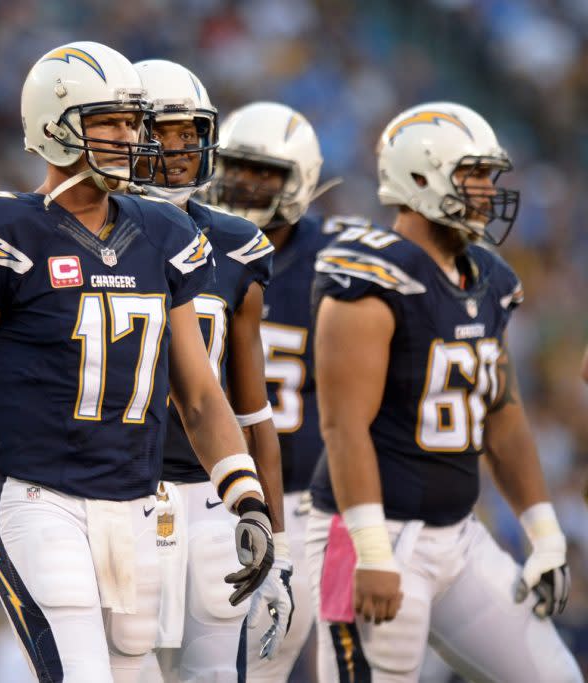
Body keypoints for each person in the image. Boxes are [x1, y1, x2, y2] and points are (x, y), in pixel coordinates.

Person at [0, 41, 274, 683]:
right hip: (39, 499)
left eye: (132, 122)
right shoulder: (5, 231)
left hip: (135, 507)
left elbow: (202, 397)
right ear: (55, 123)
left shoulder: (163, 234)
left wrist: (249, 499)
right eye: (109, 122)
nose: (130, 137)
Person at [305, 102, 581, 682]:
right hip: (361, 537)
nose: (486, 191)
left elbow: (501, 414)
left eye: (488, 176)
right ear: (420, 177)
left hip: (459, 534)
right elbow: (343, 428)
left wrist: (545, 533)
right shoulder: (371, 279)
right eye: (472, 175)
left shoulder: (487, 278)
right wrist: (373, 551)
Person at [132, 61, 286, 683]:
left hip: (211, 494)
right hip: (114, 489)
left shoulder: (237, 245)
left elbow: (252, 411)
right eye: (160, 134)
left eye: (187, 134)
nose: (176, 151)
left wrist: (275, 538)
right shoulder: (84, 237)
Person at [206, 101, 367, 681]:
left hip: (309, 506)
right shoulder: (191, 241)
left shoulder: (341, 263)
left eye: (266, 172)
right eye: (238, 166)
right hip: (205, 493)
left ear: (300, 179)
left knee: (323, 664)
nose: (246, 181)